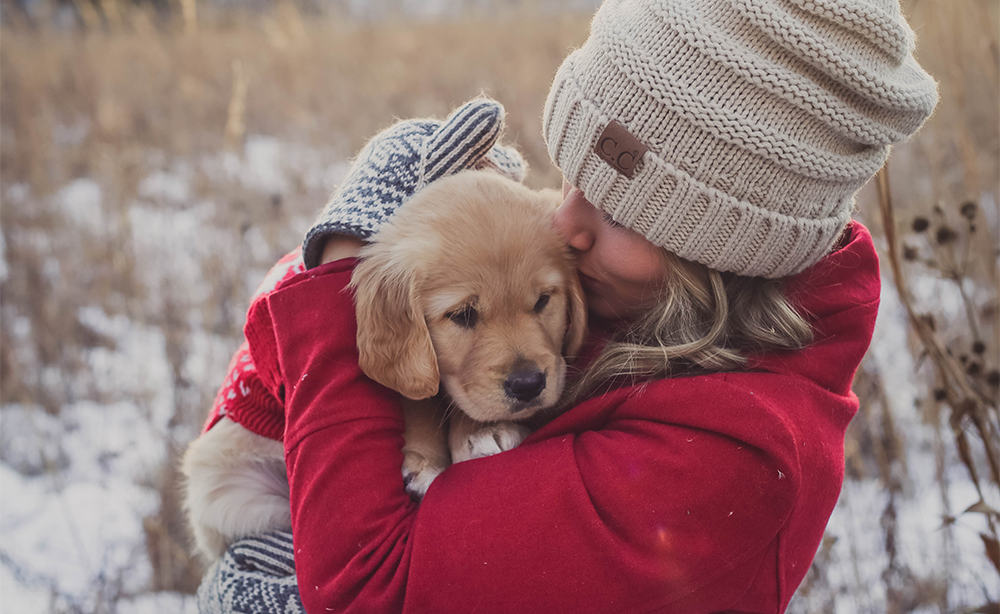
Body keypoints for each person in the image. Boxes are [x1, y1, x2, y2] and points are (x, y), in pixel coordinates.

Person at [196, 0, 937, 611]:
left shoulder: (727, 462)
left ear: (723, 249)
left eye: (616, 211)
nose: (562, 223)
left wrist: (343, 266)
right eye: (572, 175)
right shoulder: (635, 298)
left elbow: (369, 593)